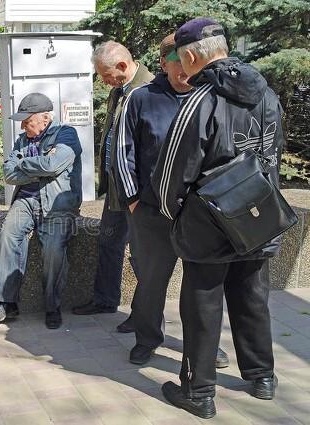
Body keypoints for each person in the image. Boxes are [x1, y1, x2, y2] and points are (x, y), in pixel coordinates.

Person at [151, 18, 283, 418]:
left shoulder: (200, 100)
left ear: (190, 56)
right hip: (259, 216)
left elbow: (173, 171)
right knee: (252, 297)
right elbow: (272, 155)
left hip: (210, 224)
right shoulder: (266, 93)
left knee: (202, 307)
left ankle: (199, 391)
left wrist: (171, 213)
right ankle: (262, 377)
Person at [113, 33, 229, 367]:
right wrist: (134, 201)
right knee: (151, 283)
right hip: (151, 213)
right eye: (177, 61)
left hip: (199, 214)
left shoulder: (210, 96)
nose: (185, 69)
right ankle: (147, 338)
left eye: (189, 61)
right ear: (164, 62)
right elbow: (123, 153)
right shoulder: (141, 98)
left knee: (204, 289)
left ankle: (204, 345)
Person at [0, 92, 82, 329]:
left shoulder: (66, 135)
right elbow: (8, 174)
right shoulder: (22, 141)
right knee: (8, 234)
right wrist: (40, 168)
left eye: (28, 121)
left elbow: (54, 164)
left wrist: (24, 165)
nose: (24, 125)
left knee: (54, 249)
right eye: (23, 121)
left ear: (45, 118)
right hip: (25, 201)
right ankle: (6, 303)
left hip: (57, 204)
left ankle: (52, 306)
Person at [72, 41, 153, 334]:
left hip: (136, 192)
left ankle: (143, 313)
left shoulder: (148, 90)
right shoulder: (119, 91)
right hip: (117, 189)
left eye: (105, 75)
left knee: (142, 257)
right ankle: (105, 300)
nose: (103, 81)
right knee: (108, 243)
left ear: (122, 66)